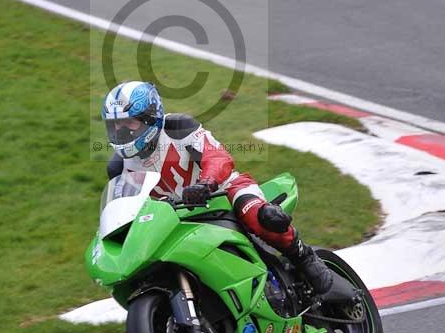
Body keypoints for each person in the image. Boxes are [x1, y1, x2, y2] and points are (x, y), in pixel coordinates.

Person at [102, 80, 332, 294]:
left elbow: (218, 157)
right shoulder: (118, 166)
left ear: (150, 117)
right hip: (176, 220)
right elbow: (126, 209)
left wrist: (206, 183)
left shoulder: (178, 127)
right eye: (115, 125)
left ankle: (303, 255)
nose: (122, 131)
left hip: (223, 191)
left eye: (129, 122)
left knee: (263, 217)